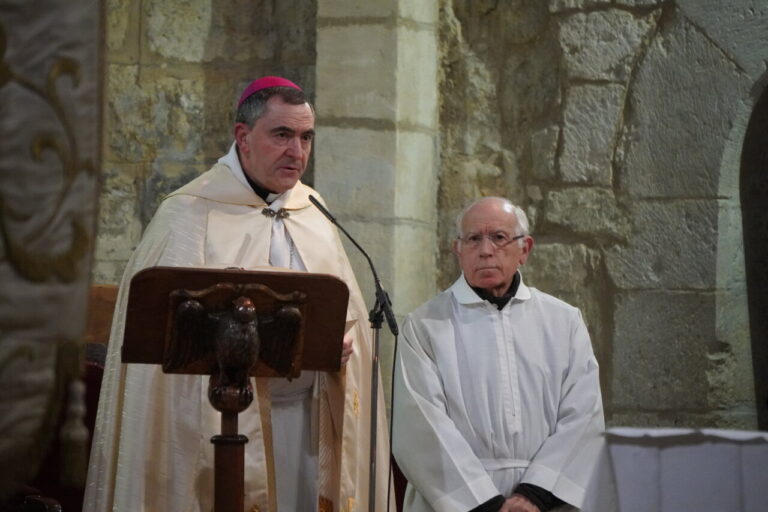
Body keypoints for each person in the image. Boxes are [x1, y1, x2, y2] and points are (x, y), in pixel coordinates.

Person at [84, 76, 393, 512]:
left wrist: (341, 349)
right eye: (282, 135)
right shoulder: (191, 212)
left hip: (307, 426)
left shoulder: (314, 211)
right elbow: (166, 348)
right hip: (219, 428)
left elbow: (347, 320)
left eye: (306, 137)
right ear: (242, 137)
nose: (297, 152)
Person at [392, 197, 609, 512]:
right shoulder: (424, 325)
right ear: (457, 249)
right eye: (473, 239)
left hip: (547, 502)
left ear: (525, 249)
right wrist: (487, 504)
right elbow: (421, 428)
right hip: (457, 504)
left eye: (499, 237)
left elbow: (584, 416)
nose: (485, 250)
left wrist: (534, 495)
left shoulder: (563, 321)